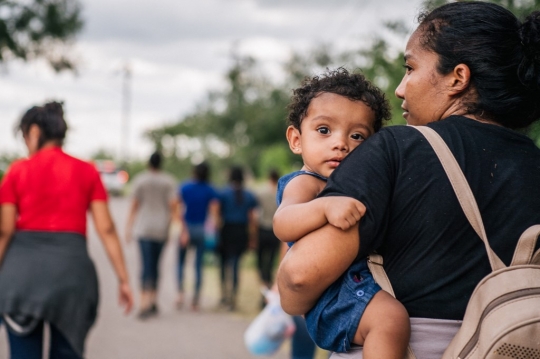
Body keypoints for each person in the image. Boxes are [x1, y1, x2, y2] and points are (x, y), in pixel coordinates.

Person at [277, 3, 540, 358]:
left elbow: (299, 277)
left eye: (411, 67)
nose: (401, 88)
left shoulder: (397, 150)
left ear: (457, 78)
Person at [273, 68, 409, 357]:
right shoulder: (305, 182)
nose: (341, 143)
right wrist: (323, 206)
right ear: (296, 139)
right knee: (391, 320)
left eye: (358, 136)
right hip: (334, 296)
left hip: (355, 285)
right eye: (324, 130)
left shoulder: (355, 183)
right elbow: (283, 223)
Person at [0, 101, 133, 359]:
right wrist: (123, 279)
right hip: (71, 279)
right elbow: (106, 228)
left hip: (23, 280)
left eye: (25, 136)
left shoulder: (18, 171)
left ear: (35, 132)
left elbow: (4, 230)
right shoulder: (87, 171)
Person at [125, 151, 177, 319]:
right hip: (161, 229)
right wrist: (173, 229)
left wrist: (128, 227)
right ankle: (153, 299)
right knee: (156, 265)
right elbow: (173, 207)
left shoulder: (140, 180)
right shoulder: (168, 181)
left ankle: (144, 302)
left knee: (145, 265)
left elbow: (134, 206)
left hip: (144, 228)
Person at [177, 161, 219, 311]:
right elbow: (214, 212)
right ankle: (195, 300)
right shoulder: (210, 189)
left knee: (181, 263)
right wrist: (213, 230)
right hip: (201, 230)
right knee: (198, 266)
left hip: (186, 228)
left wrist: (183, 230)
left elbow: (179, 209)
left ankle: (180, 293)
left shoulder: (185, 187)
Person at [217, 166, 258, 311]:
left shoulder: (223, 193)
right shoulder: (249, 195)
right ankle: (233, 298)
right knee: (235, 265)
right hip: (241, 232)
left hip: (226, 230)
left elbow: (218, 216)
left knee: (223, 264)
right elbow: (252, 219)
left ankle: (223, 295)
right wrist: (252, 238)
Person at [255, 169, 281, 301]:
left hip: (262, 229)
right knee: (270, 262)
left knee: (260, 261)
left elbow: (256, 213)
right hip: (275, 231)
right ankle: (268, 287)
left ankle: (264, 286)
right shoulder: (281, 193)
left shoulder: (261, 193)